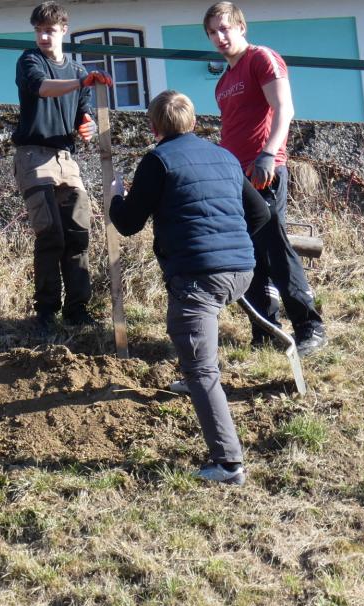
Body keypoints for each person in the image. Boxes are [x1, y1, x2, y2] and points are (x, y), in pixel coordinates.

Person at [108, 90, 271, 485]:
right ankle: (195, 379)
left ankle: (228, 464)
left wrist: (116, 196)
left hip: (199, 275)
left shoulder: (158, 161)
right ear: (195, 122)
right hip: (242, 270)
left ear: (154, 127)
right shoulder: (225, 156)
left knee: (202, 368)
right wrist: (229, 245)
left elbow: (128, 223)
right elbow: (261, 212)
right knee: (198, 339)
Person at [204, 1, 328, 356]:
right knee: (248, 252)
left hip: (264, 170)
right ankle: (265, 329)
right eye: (212, 32)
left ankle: (309, 326)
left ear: (241, 27)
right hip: (235, 175)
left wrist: (268, 154)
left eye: (225, 28)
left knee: (275, 245)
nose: (219, 37)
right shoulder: (223, 82)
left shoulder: (261, 58)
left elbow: (284, 109)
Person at [12, 1, 113, 337]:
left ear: (63, 31)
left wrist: (87, 126)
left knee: (77, 233)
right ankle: (45, 312)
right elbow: (42, 88)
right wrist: (81, 83)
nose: (43, 36)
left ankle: (77, 310)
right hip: (33, 156)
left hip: (66, 159)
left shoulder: (78, 71)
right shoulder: (30, 61)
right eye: (39, 30)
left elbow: (84, 115)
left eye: (50, 31)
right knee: (50, 234)